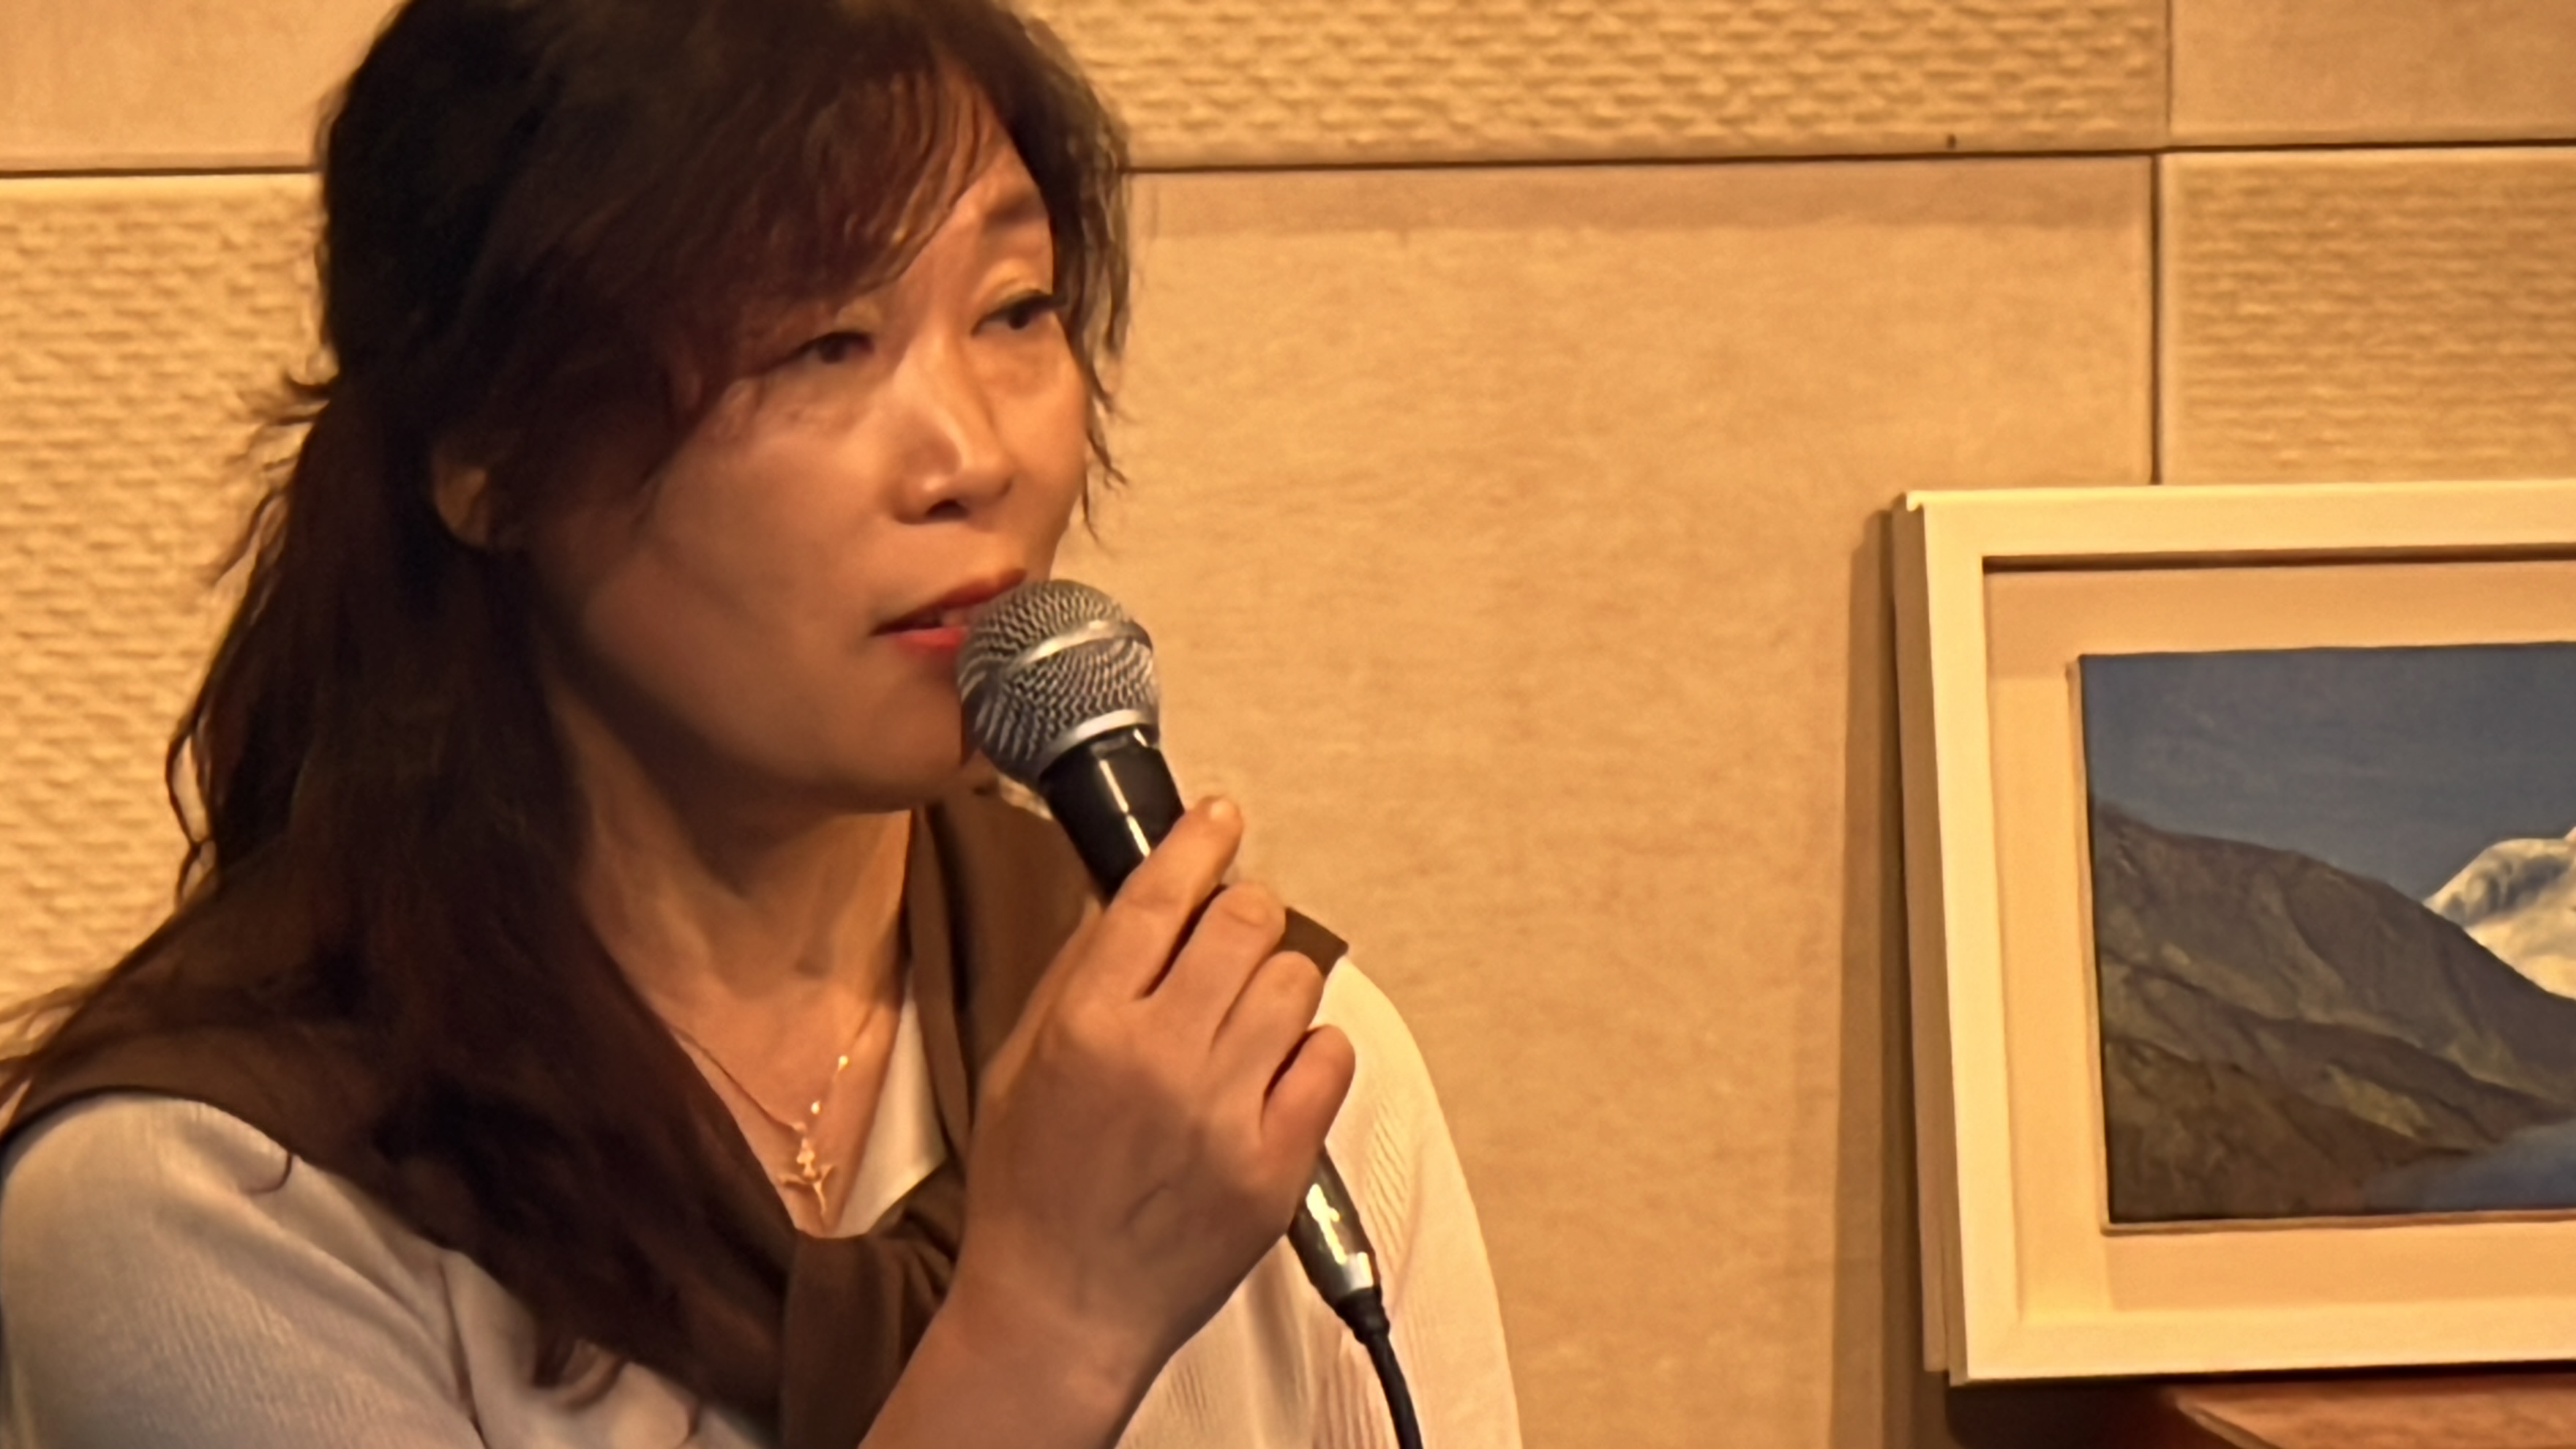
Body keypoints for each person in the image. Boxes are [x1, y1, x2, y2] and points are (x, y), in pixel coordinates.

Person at [0, 1, 1521, 1445]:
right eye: (822, 343)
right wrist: (1048, 1328)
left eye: (1015, 310)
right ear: (491, 454)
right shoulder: (218, 1188)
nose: (972, 456)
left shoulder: (1272, 1062)